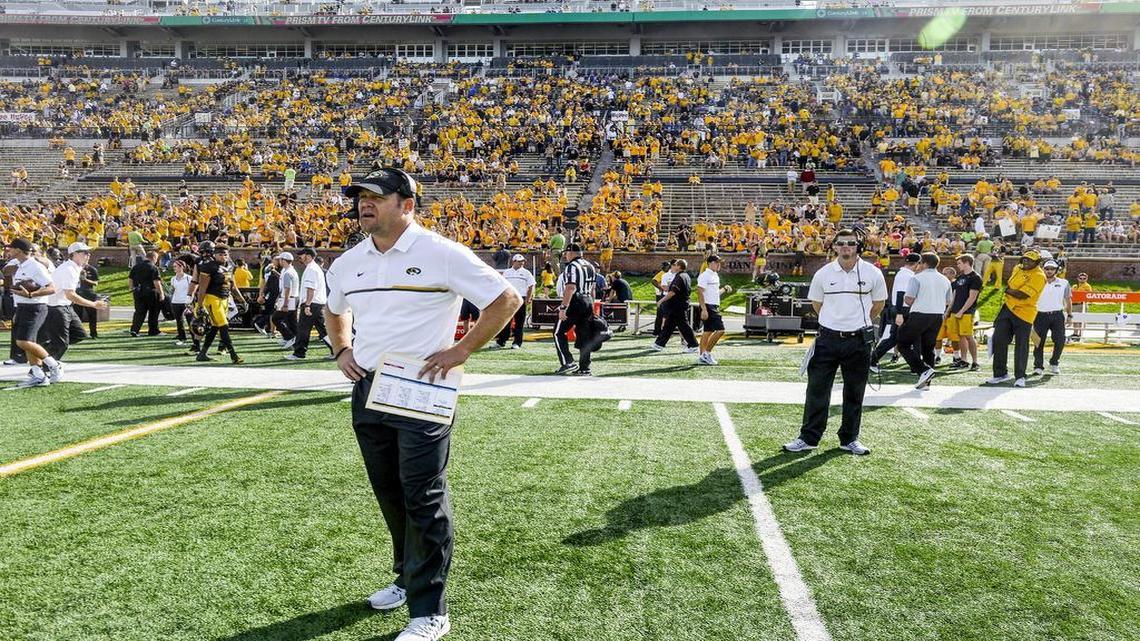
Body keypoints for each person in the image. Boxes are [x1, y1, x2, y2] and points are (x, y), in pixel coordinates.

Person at [327, 167, 520, 641]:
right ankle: (405, 575)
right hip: (370, 387)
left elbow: (506, 299)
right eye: (359, 198)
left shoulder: (442, 253)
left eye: (375, 196)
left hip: (424, 390)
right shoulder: (348, 262)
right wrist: (341, 349)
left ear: (407, 205)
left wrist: (462, 349)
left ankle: (430, 610)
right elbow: (334, 308)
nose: (363, 204)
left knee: (423, 494)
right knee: (389, 490)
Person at [784, 229, 886, 456]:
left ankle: (849, 439)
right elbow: (817, 305)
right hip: (827, 339)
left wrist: (858, 323)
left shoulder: (873, 273)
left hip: (858, 340)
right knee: (817, 391)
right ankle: (808, 438)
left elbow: (878, 304)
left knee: (854, 392)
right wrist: (835, 322)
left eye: (851, 243)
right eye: (841, 243)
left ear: (858, 246)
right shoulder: (823, 273)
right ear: (835, 247)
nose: (846, 247)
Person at [40, 242, 106, 371]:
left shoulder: (74, 268)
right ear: (73, 254)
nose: (88, 255)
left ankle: (46, 354)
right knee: (61, 344)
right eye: (84, 253)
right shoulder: (69, 269)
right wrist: (93, 304)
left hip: (65, 306)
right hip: (56, 307)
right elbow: (70, 294)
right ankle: (45, 369)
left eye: (88, 253)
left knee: (79, 334)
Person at [986, 249, 1045, 387]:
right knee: (999, 340)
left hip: (1025, 313)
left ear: (1037, 263)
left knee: (1021, 345)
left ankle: (1020, 376)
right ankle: (1000, 374)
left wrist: (1009, 291)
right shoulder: (1017, 268)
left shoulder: (1039, 275)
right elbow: (1013, 287)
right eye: (1024, 258)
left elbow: (1022, 294)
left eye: (1030, 260)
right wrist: (1011, 291)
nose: (1026, 261)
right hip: (1007, 308)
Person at [6, 239, 60, 388]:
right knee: (29, 342)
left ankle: (54, 365)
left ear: (18, 250)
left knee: (23, 341)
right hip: (23, 307)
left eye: (11, 248)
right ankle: (38, 375)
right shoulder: (20, 265)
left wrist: (32, 295)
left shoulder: (35, 266)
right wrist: (18, 308)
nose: (8, 251)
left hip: (35, 307)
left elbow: (51, 288)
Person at [896, 252, 952, 389]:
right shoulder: (945, 279)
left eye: (920, 263)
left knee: (902, 343)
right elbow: (948, 301)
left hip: (920, 314)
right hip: (937, 315)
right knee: (928, 348)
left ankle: (922, 370)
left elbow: (909, 300)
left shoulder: (917, 278)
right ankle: (926, 382)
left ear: (924, 263)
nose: (918, 266)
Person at [193, 243, 245, 364]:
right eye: (220, 254)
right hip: (212, 299)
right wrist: (199, 305)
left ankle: (202, 354)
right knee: (224, 326)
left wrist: (242, 300)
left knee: (215, 327)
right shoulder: (209, 266)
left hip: (224, 299)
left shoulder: (230, 267)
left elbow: (233, 286)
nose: (223, 256)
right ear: (215, 255)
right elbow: (202, 288)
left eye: (225, 254)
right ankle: (234, 355)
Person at [553, 243, 599, 376]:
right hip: (588, 301)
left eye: (566, 253)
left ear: (571, 253)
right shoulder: (590, 266)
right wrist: (592, 304)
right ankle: (585, 368)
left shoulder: (572, 266)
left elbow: (570, 288)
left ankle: (568, 362)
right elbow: (593, 289)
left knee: (558, 332)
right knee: (584, 335)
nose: (565, 256)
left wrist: (563, 308)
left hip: (576, 301)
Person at [870, 252, 919, 373]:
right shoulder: (906, 275)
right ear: (917, 264)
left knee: (899, 339)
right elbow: (900, 294)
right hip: (902, 310)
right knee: (897, 339)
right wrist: (899, 313)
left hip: (900, 309)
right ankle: (871, 360)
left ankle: (917, 366)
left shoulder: (904, 274)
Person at [287, 248, 334, 361]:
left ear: (308, 256)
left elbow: (310, 289)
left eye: (302, 255)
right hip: (317, 304)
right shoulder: (313, 268)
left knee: (303, 329)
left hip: (312, 304)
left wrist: (307, 305)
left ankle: (299, 353)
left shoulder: (311, 269)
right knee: (323, 330)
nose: (300, 257)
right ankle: (337, 350)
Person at [650, 259, 699, 354]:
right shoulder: (685, 276)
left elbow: (672, 292)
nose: (672, 266)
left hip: (678, 306)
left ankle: (694, 345)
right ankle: (659, 344)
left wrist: (661, 300)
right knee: (668, 326)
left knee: (684, 326)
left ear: (679, 267)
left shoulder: (680, 277)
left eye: (674, 265)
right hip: (677, 306)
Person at [1032, 260, 1071, 376]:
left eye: (1052, 269)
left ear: (1056, 270)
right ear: (1043, 269)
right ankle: (1038, 366)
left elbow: (1068, 299)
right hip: (1039, 315)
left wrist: (1070, 315)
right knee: (1038, 342)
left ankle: (1054, 363)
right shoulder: (1037, 281)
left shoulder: (1064, 282)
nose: (1049, 271)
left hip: (1057, 315)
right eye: (1047, 268)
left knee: (1060, 340)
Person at [948, 254, 983, 371]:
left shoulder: (975, 277)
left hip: (967, 312)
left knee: (968, 336)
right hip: (955, 311)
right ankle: (963, 360)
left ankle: (975, 362)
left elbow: (972, 297)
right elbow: (954, 296)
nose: (958, 266)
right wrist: (948, 312)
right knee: (960, 336)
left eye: (959, 263)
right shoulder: (960, 278)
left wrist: (962, 311)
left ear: (967, 263)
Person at [696, 255, 732, 365]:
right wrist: (704, 309)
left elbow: (715, 293)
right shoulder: (704, 275)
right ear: (709, 263)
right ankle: (706, 353)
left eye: (719, 262)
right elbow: (699, 291)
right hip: (708, 306)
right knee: (721, 330)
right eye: (716, 262)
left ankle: (702, 356)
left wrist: (724, 289)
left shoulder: (715, 275)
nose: (719, 264)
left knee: (707, 331)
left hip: (713, 306)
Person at [495, 254, 534, 350]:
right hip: (508, 298)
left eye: (522, 261)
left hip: (521, 298)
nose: (522, 263)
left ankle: (517, 342)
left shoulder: (526, 273)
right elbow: (502, 286)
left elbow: (531, 286)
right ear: (514, 261)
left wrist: (528, 298)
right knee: (506, 321)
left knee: (519, 322)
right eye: (519, 261)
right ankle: (501, 341)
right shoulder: (507, 272)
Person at [128, 251, 163, 337]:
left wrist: (131, 288)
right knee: (153, 312)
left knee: (139, 312)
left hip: (138, 292)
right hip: (151, 292)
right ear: (154, 258)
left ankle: (135, 330)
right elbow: (156, 282)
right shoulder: (153, 267)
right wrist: (161, 293)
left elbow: (130, 279)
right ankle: (153, 330)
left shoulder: (136, 267)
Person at [273, 252, 299, 349]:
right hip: (292, 298)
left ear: (283, 260)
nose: (279, 261)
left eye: (280, 259)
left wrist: (285, 304)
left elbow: (287, 288)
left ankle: (289, 338)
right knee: (291, 321)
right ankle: (295, 341)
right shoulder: (288, 270)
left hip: (289, 299)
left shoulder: (287, 272)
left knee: (276, 319)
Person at [170, 259, 194, 346]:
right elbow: (173, 290)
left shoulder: (189, 278)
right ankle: (182, 337)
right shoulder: (173, 279)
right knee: (179, 321)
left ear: (181, 267)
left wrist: (190, 302)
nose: (174, 268)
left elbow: (193, 290)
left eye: (175, 266)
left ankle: (194, 338)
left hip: (186, 302)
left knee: (190, 321)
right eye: (173, 267)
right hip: (175, 302)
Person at [75, 259, 100, 339]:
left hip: (89, 294)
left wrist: (85, 279)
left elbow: (96, 283)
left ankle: (93, 333)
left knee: (92, 315)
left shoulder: (92, 269)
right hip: (77, 293)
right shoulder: (74, 269)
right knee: (77, 315)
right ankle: (78, 334)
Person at [651, 260, 673, 336]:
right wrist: (661, 288)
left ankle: (661, 331)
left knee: (665, 314)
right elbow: (653, 281)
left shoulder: (667, 273)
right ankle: (657, 331)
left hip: (663, 295)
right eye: (664, 266)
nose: (665, 267)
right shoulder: (662, 273)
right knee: (661, 314)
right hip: (660, 295)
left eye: (667, 266)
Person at [1070, 272, 1092, 341]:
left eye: (1084, 278)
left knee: (1081, 320)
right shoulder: (1074, 286)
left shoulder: (1087, 286)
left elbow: (1090, 295)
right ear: (1078, 278)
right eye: (1080, 278)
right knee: (1075, 320)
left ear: (1086, 279)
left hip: (1081, 305)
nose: (1082, 279)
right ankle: (1075, 333)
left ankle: (1080, 334)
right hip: (1074, 305)